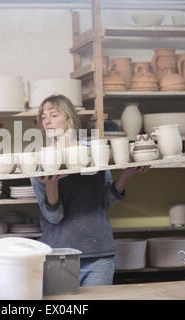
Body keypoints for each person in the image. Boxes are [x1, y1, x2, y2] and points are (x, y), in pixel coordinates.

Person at [30, 94, 149, 287]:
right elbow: (54, 217)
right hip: (60, 255)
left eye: (53, 115)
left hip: (99, 253)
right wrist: (52, 185)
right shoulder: (39, 161)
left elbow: (103, 204)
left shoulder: (95, 153)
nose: (47, 121)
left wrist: (126, 176)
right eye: (43, 117)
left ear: (69, 118)